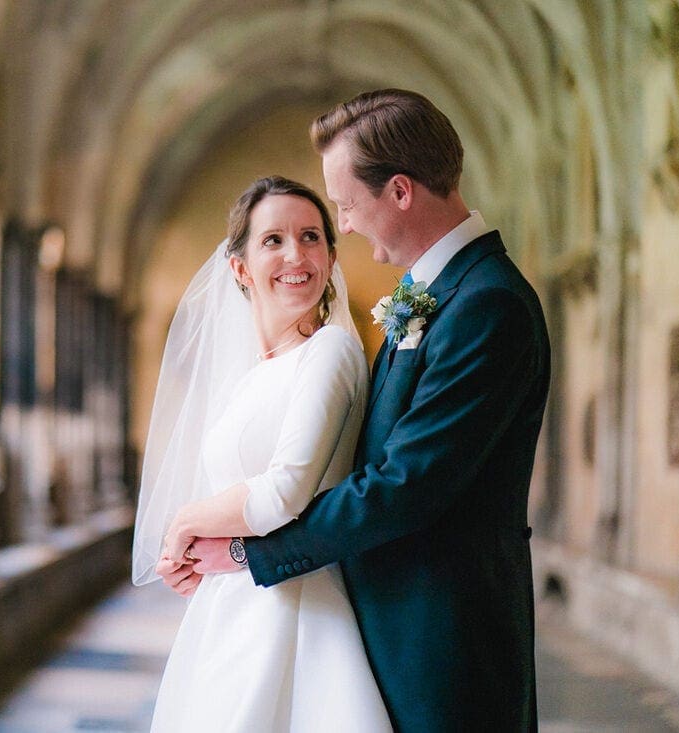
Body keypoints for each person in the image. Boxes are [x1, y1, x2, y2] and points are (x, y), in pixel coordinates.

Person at [165, 89, 550, 732]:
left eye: (344, 204)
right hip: (385, 624)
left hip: (441, 639)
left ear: (399, 191)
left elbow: (405, 486)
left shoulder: (488, 303)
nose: (342, 225)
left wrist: (245, 554)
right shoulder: (435, 293)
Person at [133, 176, 393, 731]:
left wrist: (183, 525)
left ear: (329, 255)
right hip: (228, 611)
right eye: (273, 240)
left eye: (311, 237)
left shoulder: (331, 351)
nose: (295, 254)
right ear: (240, 267)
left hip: (294, 613)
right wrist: (198, 554)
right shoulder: (251, 375)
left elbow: (283, 493)